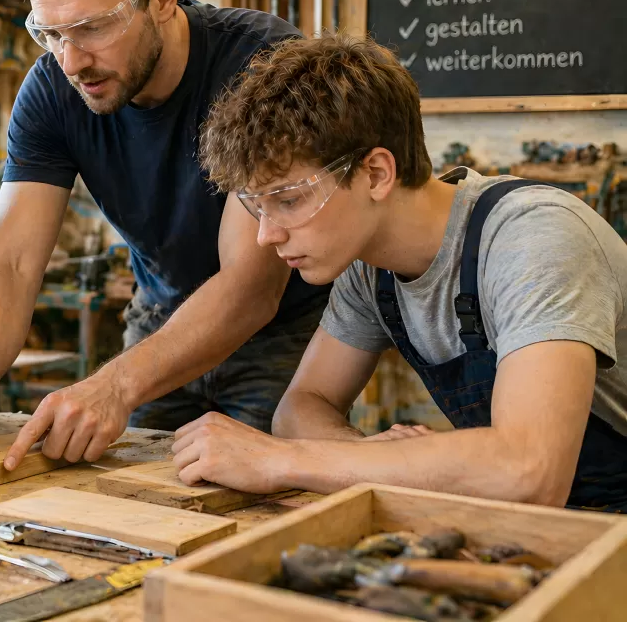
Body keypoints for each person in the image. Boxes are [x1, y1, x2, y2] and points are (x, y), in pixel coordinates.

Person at [0, 0, 332, 469]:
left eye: (90, 28)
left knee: (264, 500)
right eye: (50, 34)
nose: (70, 61)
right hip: (159, 318)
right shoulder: (53, 90)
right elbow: (11, 261)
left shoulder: (262, 66)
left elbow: (249, 287)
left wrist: (115, 386)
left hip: (280, 332)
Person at [176, 33, 627, 510]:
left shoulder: (533, 238)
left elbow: (530, 470)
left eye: (288, 201)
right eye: (258, 208)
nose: (266, 236)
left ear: (375, 174)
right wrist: (362, 457)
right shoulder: (369, 271)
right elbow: (300, 408)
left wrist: (280, 462)